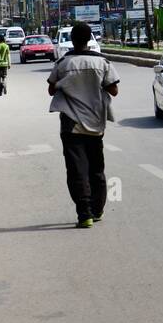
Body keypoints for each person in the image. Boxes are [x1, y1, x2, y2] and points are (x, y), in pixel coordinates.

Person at [47, 23, 118, 229]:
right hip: (96, 123)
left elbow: (51, 90)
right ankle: (97, 210)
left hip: (71, 124)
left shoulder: (63, 63)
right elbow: (113, 90)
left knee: (76, 169)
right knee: (96, 168)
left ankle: (84, 214)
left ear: (72, 39)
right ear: (89, 39)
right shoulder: (102, 62)